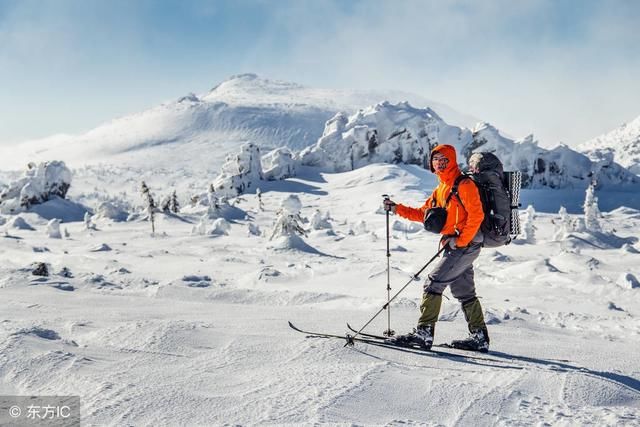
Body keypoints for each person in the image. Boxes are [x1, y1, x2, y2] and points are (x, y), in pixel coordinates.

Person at [382, 144, 490, 352]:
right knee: (463, 290)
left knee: (433, 284)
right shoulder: (441, 188)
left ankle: (424, 334)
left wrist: (460, 241)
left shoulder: (464, 185)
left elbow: (477, 215)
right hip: (457, 244)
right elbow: (424, 214)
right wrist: (397, 208)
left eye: (444, 159)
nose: (440, 163)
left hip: (464, 244)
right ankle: (479, 338)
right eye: (436, 159)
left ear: (452, 160)